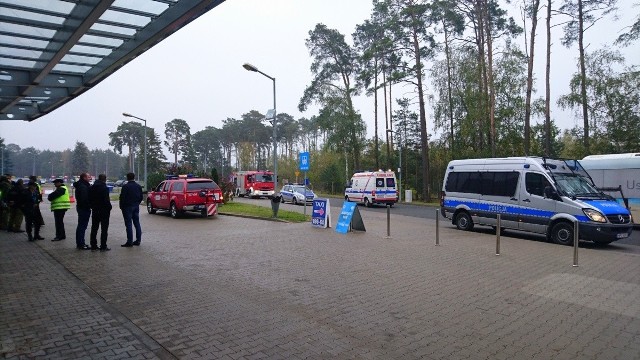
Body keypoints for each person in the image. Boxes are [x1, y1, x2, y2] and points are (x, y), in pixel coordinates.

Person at [89, 174, 112, 251]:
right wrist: (109, 207)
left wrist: (92, 206)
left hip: (95, 210)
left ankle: (93, 245)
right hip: (104, 210)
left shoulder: (92, 187)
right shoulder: (104, 188)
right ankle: (103, 246)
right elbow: (106, 199)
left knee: (94, 228)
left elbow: (90, 198)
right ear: (105, 179)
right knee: (104, 229)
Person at [119, 172, 143, 247]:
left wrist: (121, 206)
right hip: (136, 205)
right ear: (134, 177)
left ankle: (129, 241)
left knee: (128, 224)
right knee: (137, 223)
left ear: (127, 178)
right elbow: (141, 197)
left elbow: (122, 197)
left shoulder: (125, 187)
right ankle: (138, 240)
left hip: (127, 206)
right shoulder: (138, 186)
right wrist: (137, 203)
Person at [73, 173, 92, 250]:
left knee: (81, 226)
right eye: (88, 176)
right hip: (84, 208)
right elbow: (84, 198)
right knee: (82, 226)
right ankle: (81, 244)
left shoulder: (82, 185)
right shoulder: (83, 186)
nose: (90, 178)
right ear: (84, 178)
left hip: (81, 207)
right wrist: (89, 205)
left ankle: (81, 242)